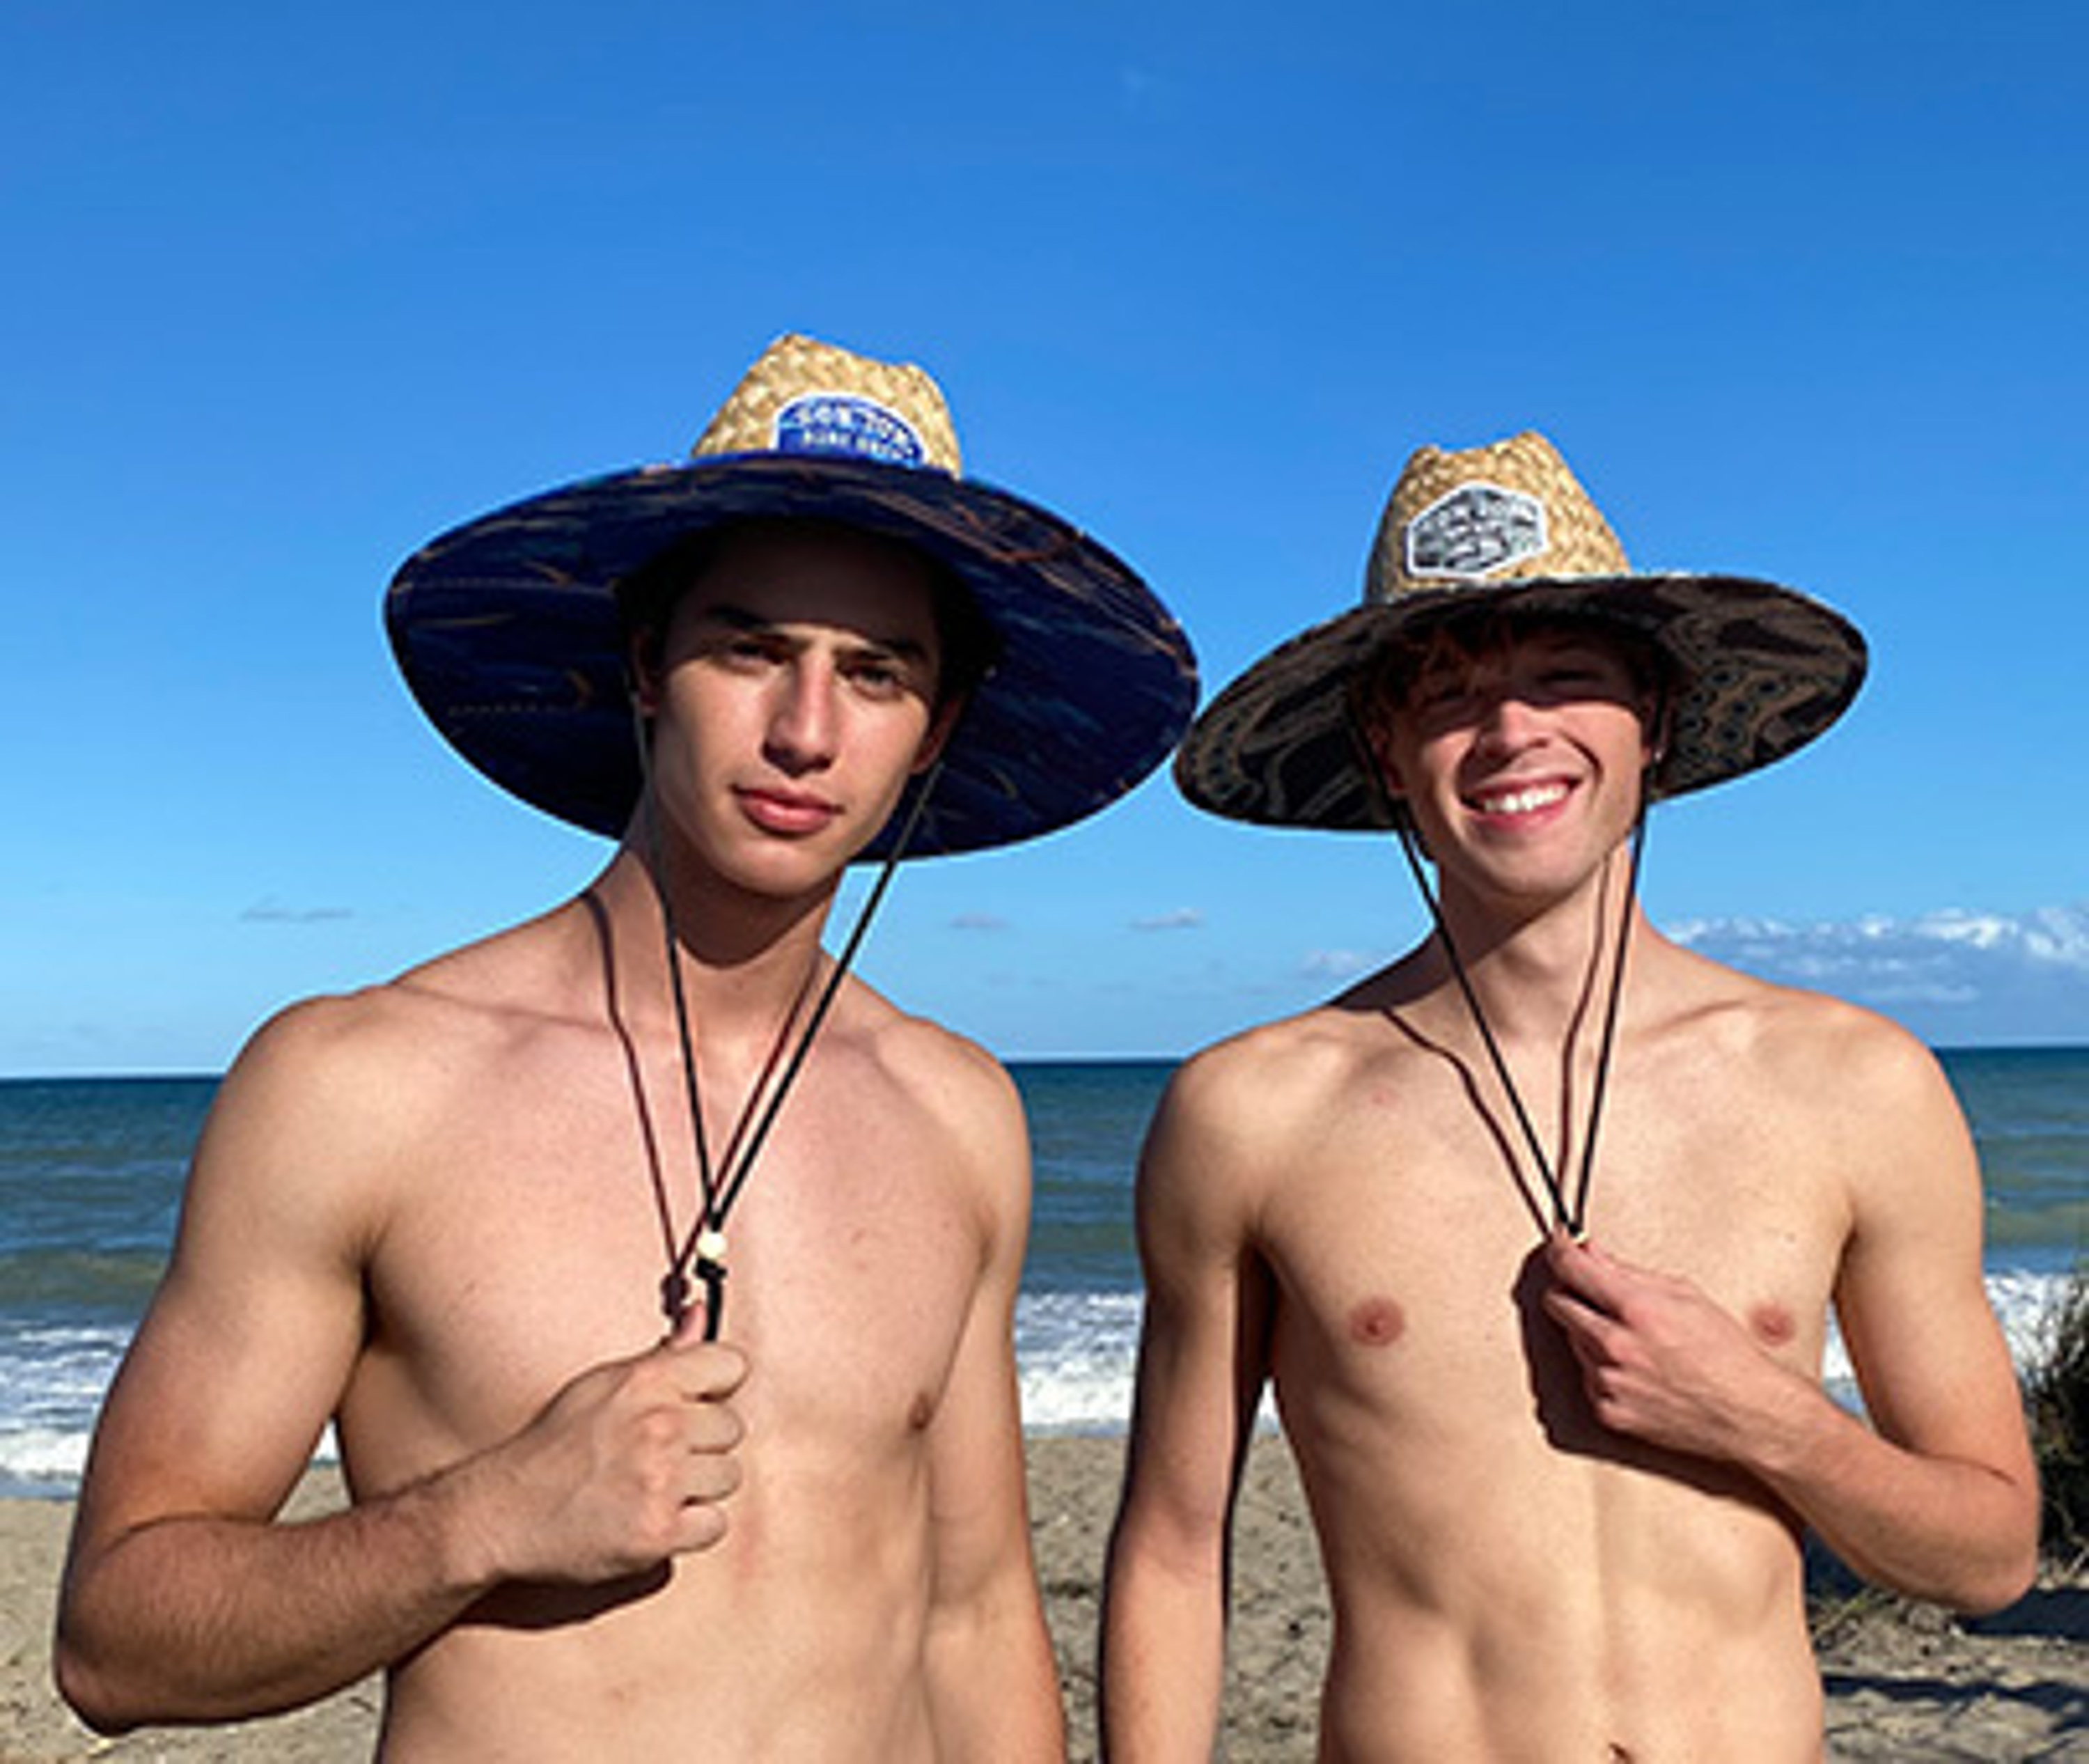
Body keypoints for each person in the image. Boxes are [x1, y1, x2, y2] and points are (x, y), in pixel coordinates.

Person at [56, 332, 1196, 1759]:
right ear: (648, 663)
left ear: (936, 725)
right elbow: (114, 1636)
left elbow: (970, 1614)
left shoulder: (958, 1111)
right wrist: (480, 1517)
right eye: (751, 649)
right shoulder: (361, 1085)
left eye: (877, 672)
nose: (806, 730)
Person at [1101, 432, 2039, 1761]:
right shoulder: (1252, 1110)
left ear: (1651, 718)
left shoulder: (1856, 1083)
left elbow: (1991, 1553)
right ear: (1384, 747)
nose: (1511, 733)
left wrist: (1764, 1414)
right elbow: (1174, 1550)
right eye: (1447, 694)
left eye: (1565, 678)